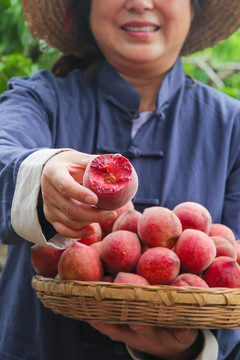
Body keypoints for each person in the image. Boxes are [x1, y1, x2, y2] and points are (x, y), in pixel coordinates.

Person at [0, 0, 240, 359]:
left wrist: (196, 347)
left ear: (195, 9)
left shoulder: (231, 127)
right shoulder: (39, 98)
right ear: (86, 8)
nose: (141, 3)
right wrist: (37, 174)